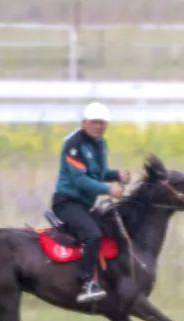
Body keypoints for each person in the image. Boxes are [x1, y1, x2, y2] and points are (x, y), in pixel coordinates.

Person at [51, 101, 129, 303]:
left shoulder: (100, 144)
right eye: (95, 122)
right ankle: (86, 283)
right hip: (67, 203)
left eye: (103, 123)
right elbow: (80, 180)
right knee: (93, 234)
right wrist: (109, 189)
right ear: (84, 123)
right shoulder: (74, 145)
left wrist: (116, 175)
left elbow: (98, 174)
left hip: (85, 205)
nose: (99, 126)